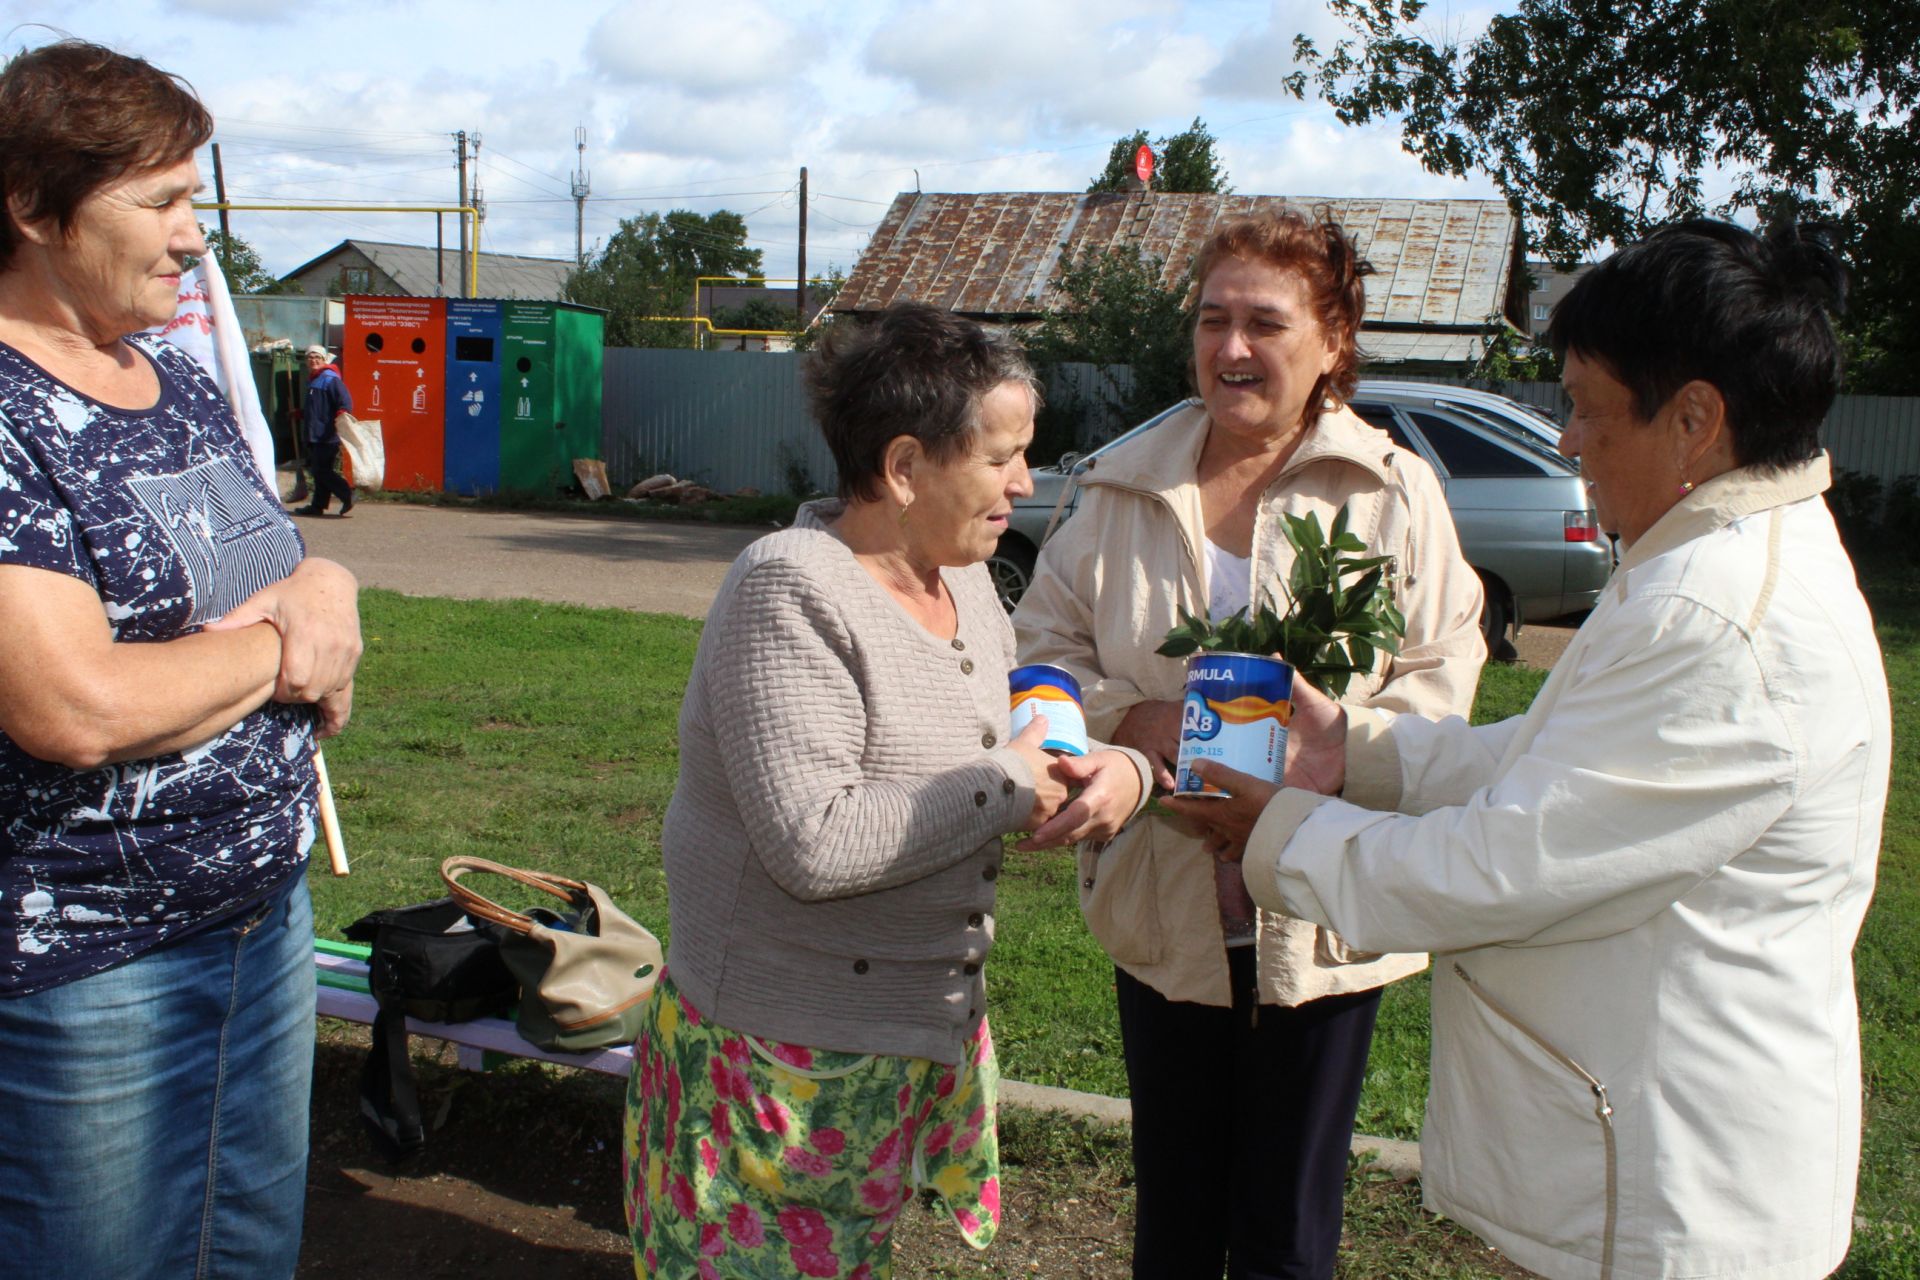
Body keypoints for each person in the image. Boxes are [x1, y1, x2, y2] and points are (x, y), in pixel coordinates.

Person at [1174, 219, 1886, 1280]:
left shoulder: (1718, 619)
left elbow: (1503, 867)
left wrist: (1276, 829)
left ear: (1695, 419)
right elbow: (1560, 751)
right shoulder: (1705, 560)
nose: (1567, 442)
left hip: (1674, 1193)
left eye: (1589, 411)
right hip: (1654, 1147)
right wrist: (1361, 750)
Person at [627, 302, 1150, 1279]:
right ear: (906, 467)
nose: (1024, 483)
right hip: (772, 1074)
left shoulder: (970, 592)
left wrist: (1068, 772)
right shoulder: (790, 588)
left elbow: (968, 776)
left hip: (887, 1053)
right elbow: (814, 842)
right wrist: (1010, 780)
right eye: (1000, 457)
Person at [1013, 207, 1486, 1278]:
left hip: (1318, 916)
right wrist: (1123, 720)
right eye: (1211, 318)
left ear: (1332, 342)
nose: (1231, 348)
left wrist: (1340, 751)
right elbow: (1039, 644)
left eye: (1265, 323)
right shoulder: (1124, 480)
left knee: (1285, 1229)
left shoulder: (1393, 493)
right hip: (1163, 903)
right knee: (1174, 1220)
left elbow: (1443, 678)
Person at [0, 40, 362, 1278]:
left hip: (261, 919)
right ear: (34, 206)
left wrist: (329, 582)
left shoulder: (175, 382)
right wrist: (281, 646)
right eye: (160, 201)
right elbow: (75, 702)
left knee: (244, 1250)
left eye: (194, 202)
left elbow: (275, 572)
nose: (193, 237)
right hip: (91, 957)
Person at [297, 341, 354, 515]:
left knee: (320, 470)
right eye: (310, 357)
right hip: (315, 433)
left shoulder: (329, 379)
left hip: (326, 434)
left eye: (317, 357)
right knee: (321, 471)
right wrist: (300, 413)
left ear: (324, 359)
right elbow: (317, 408)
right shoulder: (315, 380)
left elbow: (345, 402)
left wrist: (339, 417)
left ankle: (347, 494)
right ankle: (317, 506)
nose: (313, 360)